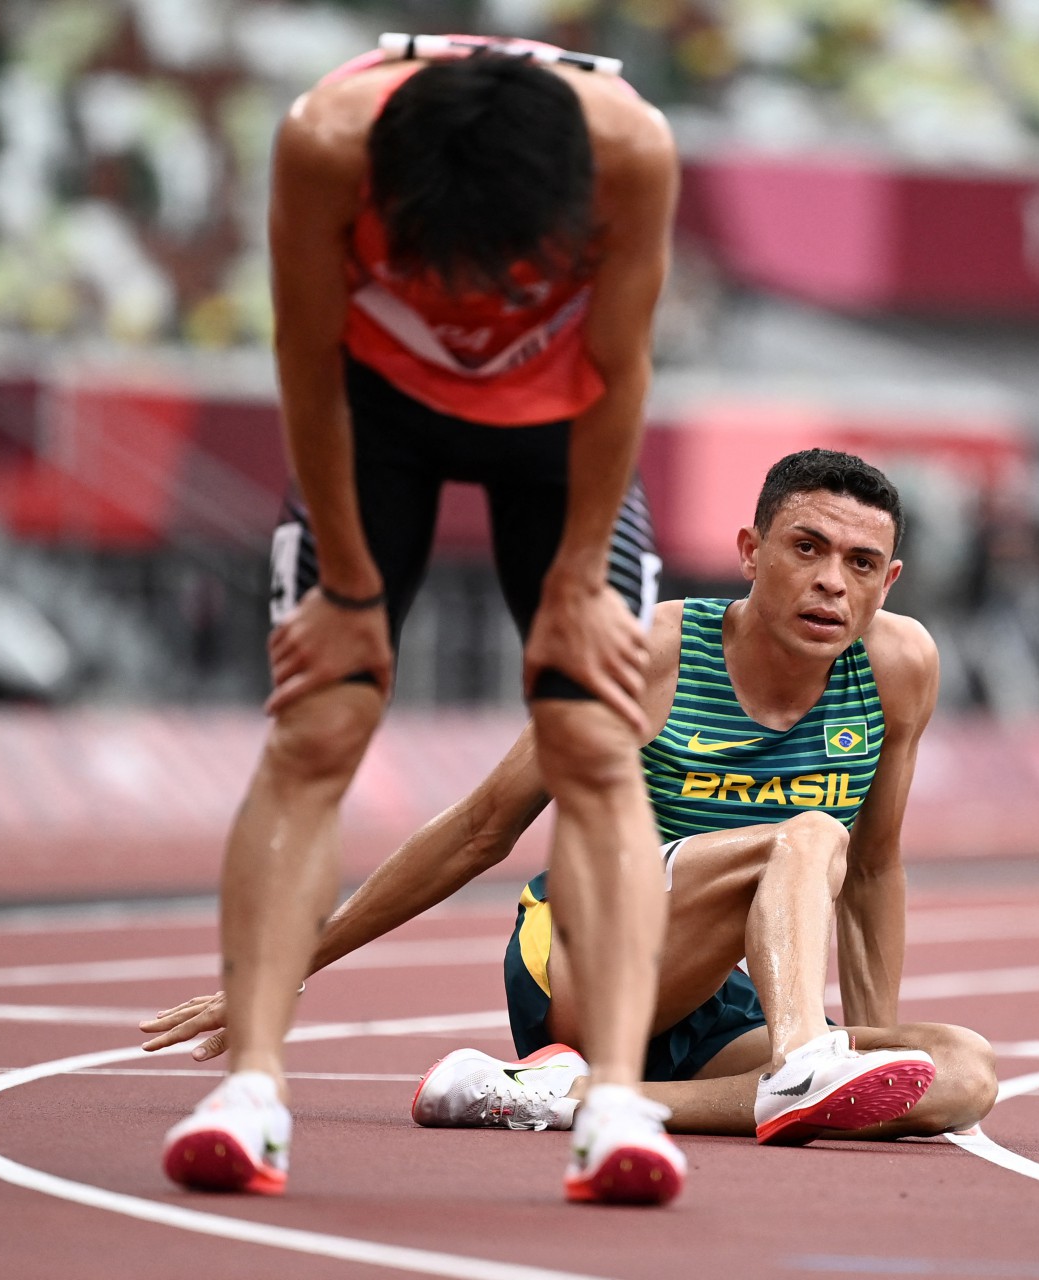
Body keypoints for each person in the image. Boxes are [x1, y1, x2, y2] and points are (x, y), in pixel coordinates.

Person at [143, 450, 999, 1170]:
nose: (829, 583)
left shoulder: (899, 666)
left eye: (858, 565)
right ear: (749, 549)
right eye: (807, 547)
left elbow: (878, 863)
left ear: (888, 581)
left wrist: (875, 1045)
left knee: (962, 1073)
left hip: (711, 990)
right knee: (811, 835)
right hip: (582, 958)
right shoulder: (649, 652)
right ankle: (799, 1064)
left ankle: (575, 1096)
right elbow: (483, 827)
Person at [160, 34, 682, 1205]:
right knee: (316, 727)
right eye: (447, 278)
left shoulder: (633, 153)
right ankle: (250, 1091)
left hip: (559, 433)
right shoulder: (323, 144)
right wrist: (347, 590)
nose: (476, 314)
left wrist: (578, 578)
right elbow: (304, 357)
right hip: (375, 416)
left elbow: (623, 365)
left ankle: (611, 1102)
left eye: (506, 283)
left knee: (594, 741)